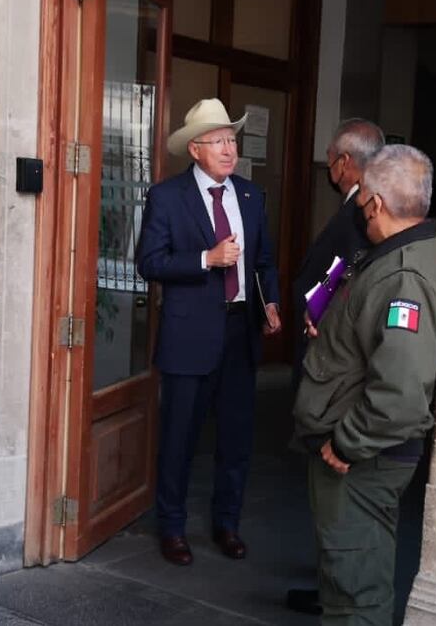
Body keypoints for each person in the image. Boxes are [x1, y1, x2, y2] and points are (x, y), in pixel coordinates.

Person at [293, 144, 436, 625]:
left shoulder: (404, 273)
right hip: (366, 452)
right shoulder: (410, 250)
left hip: (363, 457)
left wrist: (346, 444)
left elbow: (400, 392)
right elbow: (374, 333)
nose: (362, 215)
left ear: (377, 204)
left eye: (363, 206)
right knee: (357, 570)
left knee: (354, 590)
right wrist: (334, 324)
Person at [136, 98, 282, 566]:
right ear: (195, 149)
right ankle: (173, 528)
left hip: (240, 332)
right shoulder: (167, 196)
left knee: (236, 439)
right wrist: (205, 259)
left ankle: (227, 523)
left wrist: (271, 301)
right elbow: (149, 263)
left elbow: (262, 261)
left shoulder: (250, 196)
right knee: (179, 437)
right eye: (218, 141)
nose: (229, 149)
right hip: (189, 335)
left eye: (232, 140)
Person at [290, 119, 383, 391]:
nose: (328, 162)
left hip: (328, 341)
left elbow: (347, 268)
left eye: (329, 156)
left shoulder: (360, 210)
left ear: (343, 162)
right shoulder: (359, 206)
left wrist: (316, 309)